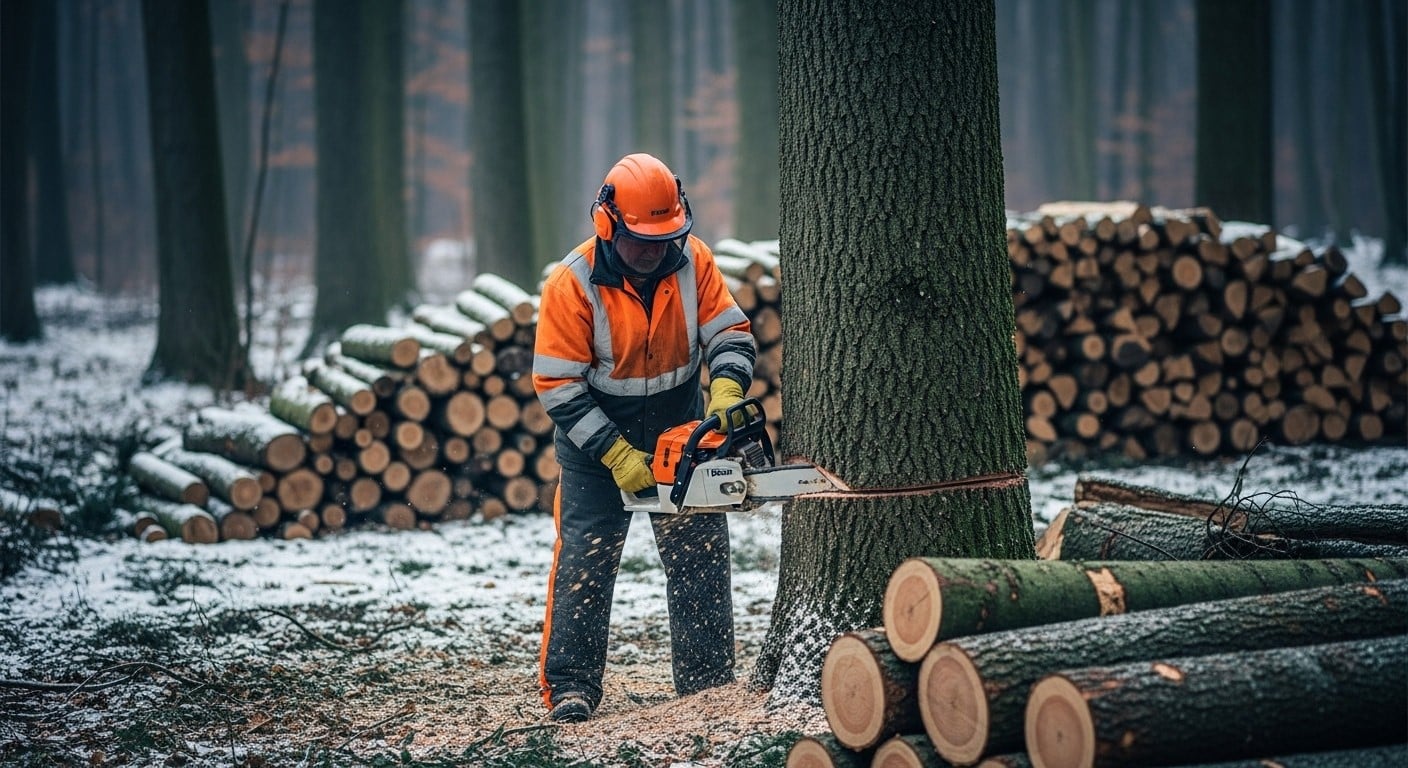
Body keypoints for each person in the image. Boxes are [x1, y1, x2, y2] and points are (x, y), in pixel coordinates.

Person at [532, 153, 756, 723]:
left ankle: (707, 684)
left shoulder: (693, 262)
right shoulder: (572, 282)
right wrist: (612, 451)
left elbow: (729, 330)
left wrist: (727, 390)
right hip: (594, 437)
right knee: (587, 557)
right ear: (609, 225)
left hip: (678, 423)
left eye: (666, 236)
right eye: (642, 239)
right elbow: (557, 384)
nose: (655, 250)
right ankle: (572, 688)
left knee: (699, 554)